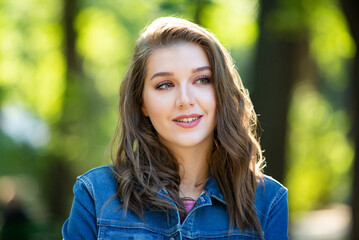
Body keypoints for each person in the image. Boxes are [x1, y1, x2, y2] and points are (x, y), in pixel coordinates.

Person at [62, 17, 289, 239]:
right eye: (165, 85)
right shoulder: (95, 195)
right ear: (142, 103)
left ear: (221, 91)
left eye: (202, 80)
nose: (185, 99)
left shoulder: (268, 201)